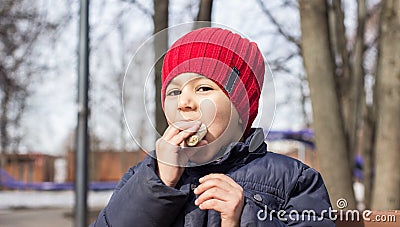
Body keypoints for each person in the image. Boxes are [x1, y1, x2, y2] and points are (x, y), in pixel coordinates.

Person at [91, 27, 335, 226]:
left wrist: (242, 218)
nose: (185, 103)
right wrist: (158, 185)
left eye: (203, 88)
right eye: (174, 91)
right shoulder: (144, 176)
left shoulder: (294, 179)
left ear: (241, 111)